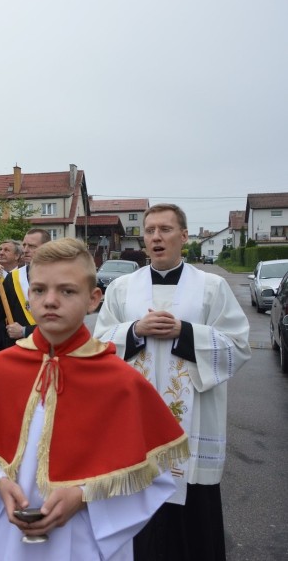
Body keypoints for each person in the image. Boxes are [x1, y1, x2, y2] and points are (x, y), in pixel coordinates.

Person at [0, 238, 189, 561]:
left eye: (67, 291)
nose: (50, 301)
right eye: (39, 290)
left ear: (93, 299)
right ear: (28, 295)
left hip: (85, 538)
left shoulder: (120, 382)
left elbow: (154, 474)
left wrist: (85, 496)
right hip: (10, 538)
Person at [94, 204, 251, 561]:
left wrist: (187, 333)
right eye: (149, 230)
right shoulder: (122, 288)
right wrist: (133, 331)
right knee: (141, 521)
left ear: (184, 236)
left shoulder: (212, 287)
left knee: (192, 523)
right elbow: (98, 345)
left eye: (165, 229)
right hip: (136, 423)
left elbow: (238, 346)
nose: (156, 237)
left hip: (194, 424)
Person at [0, 229, 51, 349]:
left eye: (32, 246)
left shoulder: (60, 277)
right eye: (24, 245)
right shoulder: (14, 277)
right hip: (18, 349)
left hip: (49, 348)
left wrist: (25, 331)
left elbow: (63, 323)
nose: (25, 250)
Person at [0, 239, 23, 352]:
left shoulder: (25, 277)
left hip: (19, 337)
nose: (1, 252)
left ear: (17, 256)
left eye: (6, 250)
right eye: (0, 249)